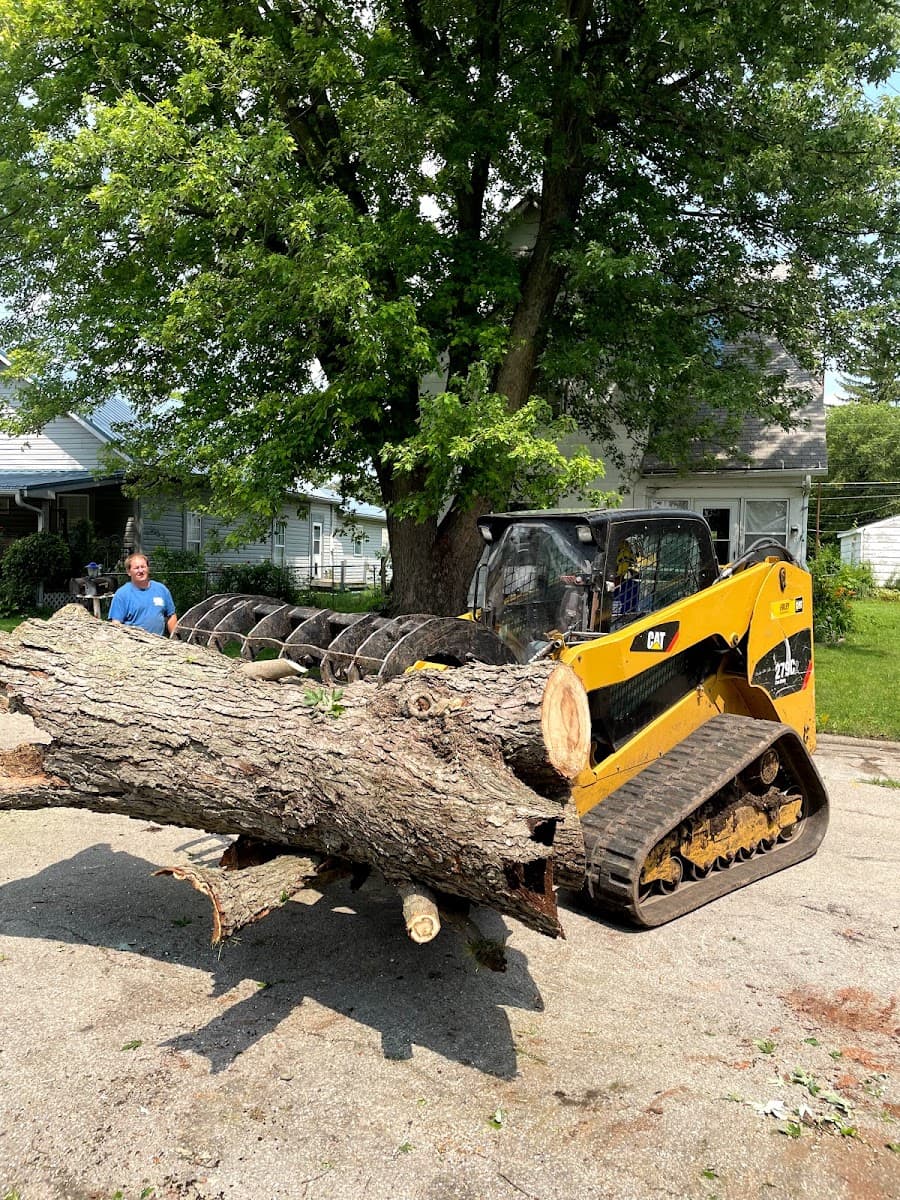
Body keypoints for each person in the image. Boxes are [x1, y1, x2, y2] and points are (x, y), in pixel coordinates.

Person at [108, 553, 178, 636]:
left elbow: (171, 616)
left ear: (148, 568)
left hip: (159, 641)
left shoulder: (161, 589)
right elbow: (116, 623)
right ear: (129, 572)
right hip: (134, 642)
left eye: (143, 567)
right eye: (136, 568)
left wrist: (174, 639)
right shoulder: (122, 594)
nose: (141, 571)